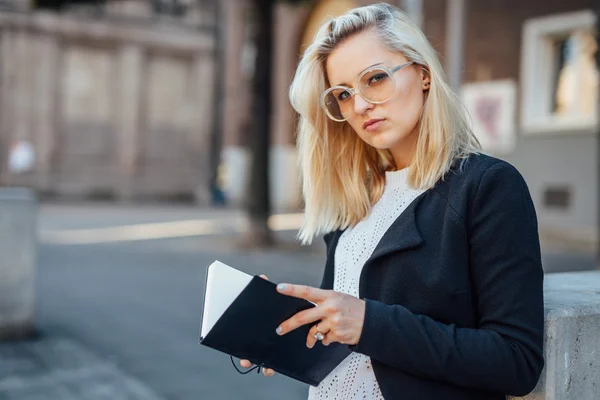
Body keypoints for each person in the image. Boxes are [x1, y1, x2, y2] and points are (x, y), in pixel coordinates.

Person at [240, 3, 544, 399]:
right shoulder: (355, 196)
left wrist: (369, 324)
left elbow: (516, 361)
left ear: (423, 74)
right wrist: (278, 329)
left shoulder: (487, 187)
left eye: (376, 78)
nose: (361, 105)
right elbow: (341, 336)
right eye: (344, 94)